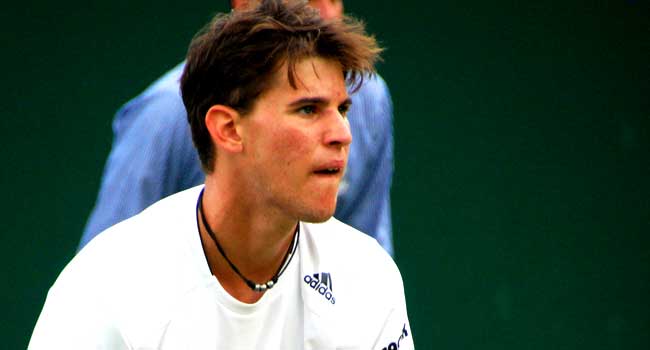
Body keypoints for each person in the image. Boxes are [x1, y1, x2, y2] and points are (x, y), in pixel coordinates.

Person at [29, 1, 413, 348]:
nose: (343, 135)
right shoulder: (105, 287)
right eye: (308, 110)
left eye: (343, 109)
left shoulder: (369, 279)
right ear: (228, 129)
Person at [79, 0, 395, 256]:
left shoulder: (368, 97)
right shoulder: (162, 116)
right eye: (308, 110)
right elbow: (102, 278)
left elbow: (363, 264)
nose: (325, 13)